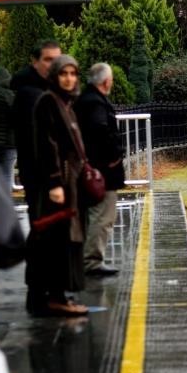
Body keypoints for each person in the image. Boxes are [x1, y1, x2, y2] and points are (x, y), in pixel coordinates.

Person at [26, 55, 89, 316]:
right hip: (58, 184)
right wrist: (54, 181)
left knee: (61, 239)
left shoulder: (66, 103)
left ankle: (52, 296)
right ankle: (54, 297)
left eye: (73, 73)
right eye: (64, 73)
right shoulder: (49, 102)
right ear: (55, 76)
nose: (69, 79)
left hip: (69, 183)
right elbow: (47, 143)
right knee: (55, 240)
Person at [74, 63, 125, 277]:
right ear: (106, 81)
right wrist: (114, 155)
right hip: (102, 172)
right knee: (102, 216)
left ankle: (88, 259)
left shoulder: (85, 99)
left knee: (93, 215)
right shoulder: (95, 103)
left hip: (92, 169)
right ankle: (92, 261)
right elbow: (100, 131)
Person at [12, 40, 60, 211]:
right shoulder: (30, 93)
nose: (54, 65)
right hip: (40, 176)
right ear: (34, 61)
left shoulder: (52, 88)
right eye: (48, 59)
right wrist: (53, 179)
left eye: (57, 59)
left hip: (51, 173)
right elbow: (38, 140)